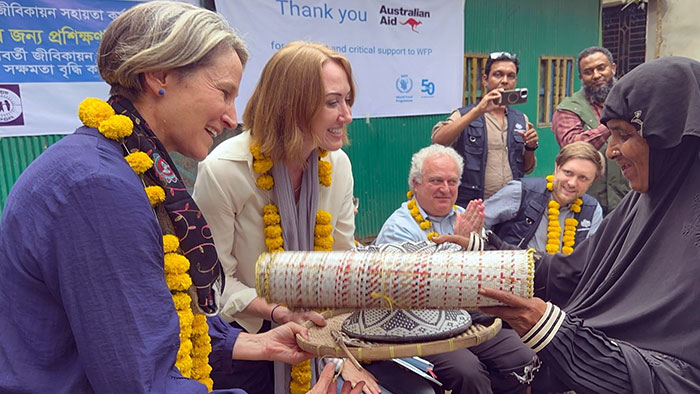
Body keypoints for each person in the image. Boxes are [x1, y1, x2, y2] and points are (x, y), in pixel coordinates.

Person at [0, 3, 361, 394]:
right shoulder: (98, 187)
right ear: (159, 76)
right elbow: (141, 382)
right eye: (223, 93)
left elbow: (157, 318)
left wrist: (249, 342)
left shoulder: (123, 165)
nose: (231, 117)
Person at [442, 56, 700, 393]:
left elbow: (677, 379)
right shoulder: (643, 202)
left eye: (623, 135)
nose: (612, 151)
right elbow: (571, 272)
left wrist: (554, 332)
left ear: (669, 139)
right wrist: (487, 254)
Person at [193, 41, 357, 393]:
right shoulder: (224, 170)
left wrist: (350, 359)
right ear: (292, 104)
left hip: (321, 333)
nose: (347, 115)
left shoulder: (338, 164)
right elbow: (212, 284)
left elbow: (343, 261)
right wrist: (280, 312)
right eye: (332, 102)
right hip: (244, 345)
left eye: (347, 100)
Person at [362, 145, 539, 394]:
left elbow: (486, 275)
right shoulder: (399, 227)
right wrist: (459, 248)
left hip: (467, 318)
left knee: (522, 356)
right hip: (418, 326)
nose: (445, 189)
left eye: (452, 181)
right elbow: (414, 291)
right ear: (416, 183)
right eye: (436, 181)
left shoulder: (463, 216)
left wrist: (477, 246)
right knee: (468, 373)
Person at [431, 51, 539, 206]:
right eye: (498, 74)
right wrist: (478, 111)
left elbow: (526, 169)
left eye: (510, 76)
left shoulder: (521, 119)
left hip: (510, 207)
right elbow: (438, 141)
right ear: (485, 79)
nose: (504, 81)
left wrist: (531, 147)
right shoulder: (464, 114)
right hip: (473, 206)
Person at [483, 141, 604, 254]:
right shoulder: (521, 192)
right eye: (568, 173)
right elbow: (477, 226)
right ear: (557, 168)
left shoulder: (592, 210)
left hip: (565, 275)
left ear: (592, 181)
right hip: (515, 272)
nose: (572, 183)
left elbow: (592, 257)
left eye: (583, 178)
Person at [552, 46, 630, 215]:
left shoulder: (630, 101)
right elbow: (573, 147)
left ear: (613, 68)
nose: (596, 75)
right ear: (581, 77)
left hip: (626, 198)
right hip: (585, 202)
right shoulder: (568, 108)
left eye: (601, 68)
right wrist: (610, 124)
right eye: (588, 72)